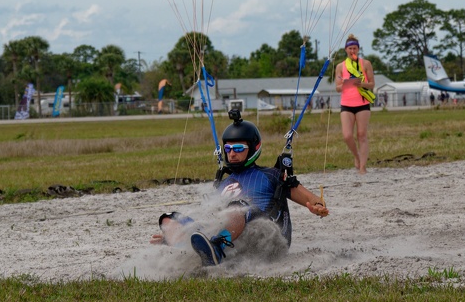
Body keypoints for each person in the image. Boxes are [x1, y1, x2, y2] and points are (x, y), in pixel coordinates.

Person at [150, 111, 329, 266]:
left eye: (238, 148)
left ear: (253, 148)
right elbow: (212, 217)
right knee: (170, 219)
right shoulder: (224, 183)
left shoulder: (272, 175)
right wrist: (177, 233)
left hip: (265, 237)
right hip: (229, 233)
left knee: (237, 207)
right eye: (228, 148)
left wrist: (317, 206)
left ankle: (217, 249)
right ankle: (185, 251)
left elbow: (311, 199)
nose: (232, 153)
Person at [334, 34, 375, 174]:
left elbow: (372, 84)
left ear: (358, 49)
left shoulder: (366, 64)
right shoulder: (341, 66)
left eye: (355, 48)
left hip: (362, 102)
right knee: (347, 135)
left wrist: (360, 83)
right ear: (346, 49)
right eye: (350, 48)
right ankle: (356, 157)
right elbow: (337, 87)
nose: (353, 50)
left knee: (362, 134)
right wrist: (347, 83)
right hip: (346, 104)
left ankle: (363, 166)